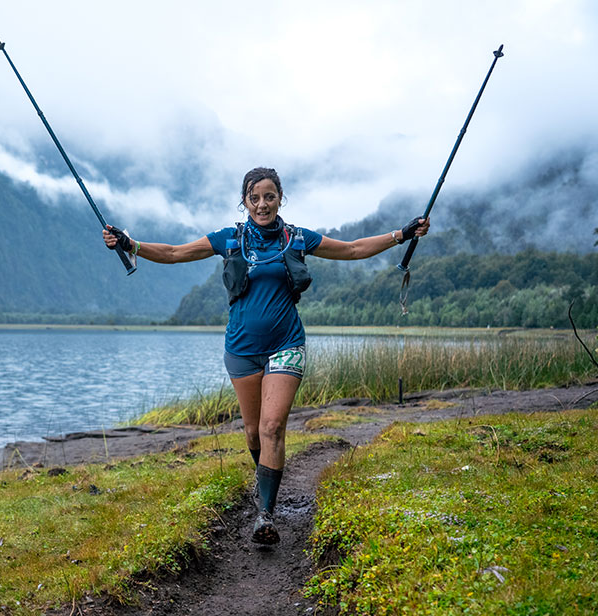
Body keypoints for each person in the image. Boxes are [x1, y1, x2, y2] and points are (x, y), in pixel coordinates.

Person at [102, 167, 429, 545]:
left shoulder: (296, 238)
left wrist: (401, 235)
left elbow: (353, 249)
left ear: (280, 199)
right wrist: (131, 245)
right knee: (253, 430)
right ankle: (265, 483)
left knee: (272, 427)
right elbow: (175, 253)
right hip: (240, 350)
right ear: (244, 201)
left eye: (269, 196)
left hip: (286, 345)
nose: (262, 204)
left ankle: (265, 514)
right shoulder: (229, 239)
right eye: (254, 198)